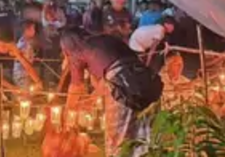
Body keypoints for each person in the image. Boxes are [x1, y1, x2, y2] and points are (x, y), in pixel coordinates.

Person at [59, 27, 161, 156]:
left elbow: (76, 87)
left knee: (117, 141)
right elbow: (110, 74)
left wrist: (67, 114)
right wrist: (91, 99)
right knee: (143, 139)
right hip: (147, 83)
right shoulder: (105, 40)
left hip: (124, 89)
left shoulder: (78, 51)